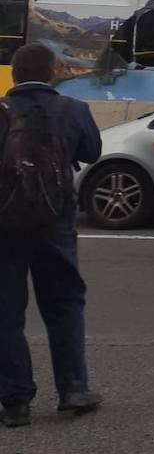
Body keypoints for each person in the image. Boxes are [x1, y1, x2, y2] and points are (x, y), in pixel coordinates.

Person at [0, 44, 103, 428]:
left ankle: (15, 402)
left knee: (6, 313)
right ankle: (74, 389)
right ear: (50, 74)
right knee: (63, 304)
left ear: (13, 75)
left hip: (5, 225)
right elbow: (92, 152)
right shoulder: (73, 110)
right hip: (54, 221)